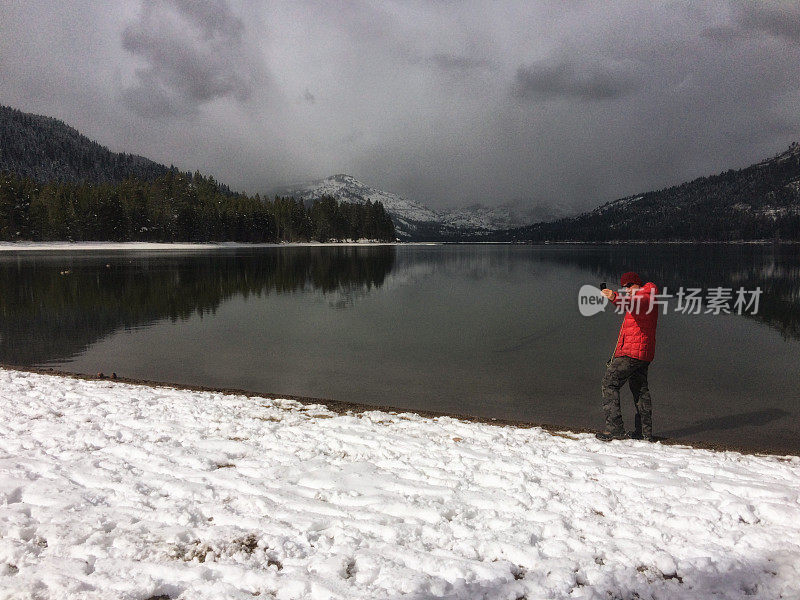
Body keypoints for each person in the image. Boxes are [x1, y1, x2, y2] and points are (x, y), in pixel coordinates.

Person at [596, 272, 658, 442]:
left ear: (638, 284)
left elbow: (634, 301)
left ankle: (615, 429)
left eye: (630, 285)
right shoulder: (638, 299)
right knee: (640, 390)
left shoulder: (647, 293)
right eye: (625, 287)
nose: (627, 289)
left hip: (633, 353)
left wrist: (614, 296)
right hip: (641, 353)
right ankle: (644, 433)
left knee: (609, 383)